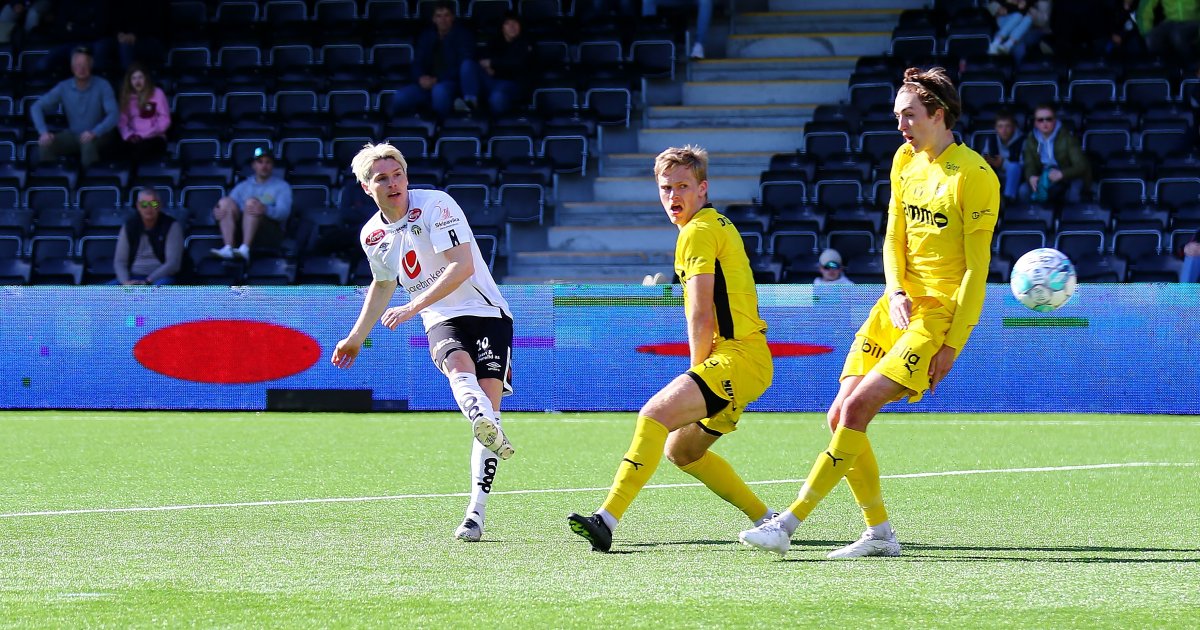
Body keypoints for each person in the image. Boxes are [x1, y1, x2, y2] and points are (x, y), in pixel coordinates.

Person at [738, 66, 999, 559]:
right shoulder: (904, 159)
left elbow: (977, 270)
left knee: (857, 409)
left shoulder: (975, 177)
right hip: (895, 305)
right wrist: (896, 290)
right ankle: (879, 534)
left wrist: (952, 343)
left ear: (938, 115)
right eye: (897, 115)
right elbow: (893, 237)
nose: (900, 125)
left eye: (909, 115)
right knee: (839, 413)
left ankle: (787, 524)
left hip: (938, 316)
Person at [567, 145, 776, 553]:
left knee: (654, 414)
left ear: (703, 188)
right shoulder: (715, 225)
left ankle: (605, 520)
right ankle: (766, 518)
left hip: (736, 358)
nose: (673, 196)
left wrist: (698, 375)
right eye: (666, 188)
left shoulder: (698, 231)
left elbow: (700, 316)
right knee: (683, 451)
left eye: (683, 186)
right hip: (748, 363)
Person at [331, 142, 515, 542]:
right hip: (440, 317)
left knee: (486, 401)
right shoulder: (372, 235)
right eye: (382, 178)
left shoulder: (436, 205)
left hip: (485, 311)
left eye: (398, 174)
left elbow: (462, 266)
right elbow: (383, 284)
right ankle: (481, 424)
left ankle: (476, 510)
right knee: (458, 370)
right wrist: (355, 337)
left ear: (407, 176)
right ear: (367, 187)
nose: (393, 183)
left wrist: (412, 307)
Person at [29, 46, 119, 168]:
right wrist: (43, 132)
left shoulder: (103, 85)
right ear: (72, 68)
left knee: (88, 143)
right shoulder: (63, 87)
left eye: (85, 64)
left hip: (100, 134)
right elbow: (36, 107)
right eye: (78, 65)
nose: (81, 68)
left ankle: (89, 183)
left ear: (91, 65)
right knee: (45, 144)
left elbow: (114, 114)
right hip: (74, 135)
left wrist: (95, 132)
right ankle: (52, 183)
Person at [389, 1, 480, 119]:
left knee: (439, 91)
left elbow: (463, 66)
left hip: (451, 82)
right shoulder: (426, 36)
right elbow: (417, 63)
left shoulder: (463, 36)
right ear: (434, 19)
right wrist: (420, 78)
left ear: (452, 17)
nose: (443, 19)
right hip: (426, 83)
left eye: (446, 15)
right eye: (439, 16)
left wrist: (437, 80)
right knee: (399, 97)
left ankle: (440, 128)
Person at [211, 147, 293, 262]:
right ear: (254, 165)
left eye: (268, 162)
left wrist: (265, 209)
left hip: (270, 232)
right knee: (224, 202)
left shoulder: (282, 186)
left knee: (252, 203)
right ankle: (228, 248)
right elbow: (230, 207)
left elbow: (284, 213)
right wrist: (216, 212)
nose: (264, 166)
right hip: (242, 230)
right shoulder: (243, 186)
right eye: (260, 162)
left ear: (272, 166)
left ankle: (245, 249)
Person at [1020, 103, 1090, 206]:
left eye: (1048, 119)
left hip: (1068, 175)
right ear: (1035, 123)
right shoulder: (1031, 139)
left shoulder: (1068, 138)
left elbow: (1081, 166)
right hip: (1044, 175)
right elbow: (1029, 164)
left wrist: (1062, 174)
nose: (1045, 123)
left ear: (1055, 120)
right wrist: (1031, 177)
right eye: (1040, 120)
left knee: (1074, 191)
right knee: (1023, 190)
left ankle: (1069, 219)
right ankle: (1034, 218)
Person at [112, 187, 182, 285]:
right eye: (144, 204)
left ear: (160, 205)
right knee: (104, 292)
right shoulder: (129, 226)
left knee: (161, 289)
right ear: (138, 206)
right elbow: (120, 261)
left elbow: (173, 264)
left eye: (153, 204)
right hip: (132, 277)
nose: (148, 208)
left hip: (160, 277)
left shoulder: (171, 226)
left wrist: (148, 281)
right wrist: (126, 282)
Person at [477, 13, 535, 116]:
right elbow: (482, 60)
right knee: (469, 66)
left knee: (497, 96)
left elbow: (518, 63)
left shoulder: (526, 42)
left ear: (520, 26)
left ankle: (499, 127)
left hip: (514, 84)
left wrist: (492, 63)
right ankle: (470, 102)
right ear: (502, 28)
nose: (512, 26)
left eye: (515, 23)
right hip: (493, 81)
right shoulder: (495, 42)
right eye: (507, 24)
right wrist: (489, 67)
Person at [117, 62, 170, 167]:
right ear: (130, 81)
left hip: (154, 137)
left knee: (140, 152)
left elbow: (165, 119)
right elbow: (122, 122)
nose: (137, 81)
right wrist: (129, 135)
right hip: (133, 138)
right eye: (134, 78)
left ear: (146, 78)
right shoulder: (126, 97)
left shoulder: (157, 93)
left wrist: (146, 134)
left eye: (140, 77)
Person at [982, 110, 1025, 203]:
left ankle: (1008, 200)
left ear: (1014, 127)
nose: (1004, 130)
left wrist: (1003, 164)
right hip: (996, 174)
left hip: (1018, 178)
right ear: (996, 128)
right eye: (1000, 126)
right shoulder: (991, 139)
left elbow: (1023, 165)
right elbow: (985, 157)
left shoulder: (1022, 140)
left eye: (1007, 126)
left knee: (1014, 167)